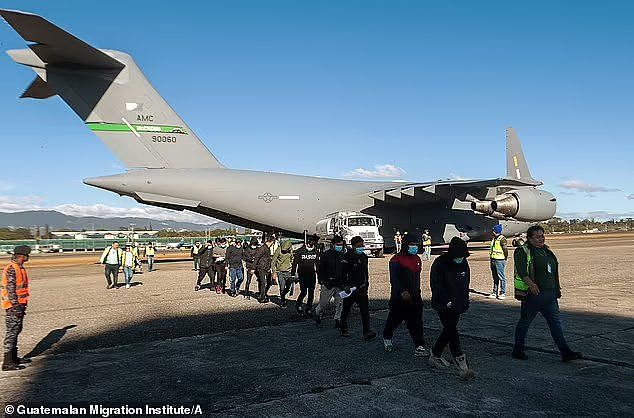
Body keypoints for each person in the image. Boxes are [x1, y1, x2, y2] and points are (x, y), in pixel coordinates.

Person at [512, 225, 582, 362]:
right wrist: (531, 285)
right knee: (525, 322)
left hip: (550, 295)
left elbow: (553, 271)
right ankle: (518, 349)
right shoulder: (522, 251)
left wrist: (557, 289)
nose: (541, 238)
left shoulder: (546, 251)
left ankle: (565, 352)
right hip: (534, 295)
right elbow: (522, 271)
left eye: (542, 235)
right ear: (529, 238)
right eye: (537, 236)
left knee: (555, 323)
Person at [429, 237, 474, 379]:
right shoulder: (440, 263)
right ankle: (460, 360)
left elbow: (465, 283)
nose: (460, 258)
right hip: (443, 304)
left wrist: (464, 300)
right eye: (458, 256)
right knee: (452, 330)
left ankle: (435, 353)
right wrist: (446, 301)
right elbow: (436, 285)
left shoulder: (463, 262)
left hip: (458, 303)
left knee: (449, 329)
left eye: (463, 256)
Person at [383, 233, 428, 356]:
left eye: (415, 245)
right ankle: (387, 336)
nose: (414, 247)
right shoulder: (396, 260)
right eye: (411, 245)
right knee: (394, 319)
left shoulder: (417, 259)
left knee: (417, 322)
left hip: (415, 296)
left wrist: (417, 293)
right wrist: (402, 291)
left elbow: (417, 278)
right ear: (405, 245)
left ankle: (419, 345)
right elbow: (394, 279)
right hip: (400, 297)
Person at [339, 236, 376, 341]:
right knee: (346, 309)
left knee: (365, 311)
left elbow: (366, 272)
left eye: (362, 245)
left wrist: (366, 283)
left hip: (362, 288)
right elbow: (342, 272)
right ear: (353, 246)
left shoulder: (364, 257)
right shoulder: (347, 256)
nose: (362, 247)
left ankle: (366, 331)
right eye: (359, 246)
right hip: (350, 288)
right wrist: (345, 285)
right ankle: (343, 328)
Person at [1, 245, 32, 371]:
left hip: (19, 305)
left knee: (16, 330)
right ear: (21, 256)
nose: (28, 257)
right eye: (27, 255)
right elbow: (10, 290)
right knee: (12, 332)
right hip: (14, 306)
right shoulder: (12, 269)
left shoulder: (19, 267)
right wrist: (16, 306)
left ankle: (14, 357)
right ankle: (7, 362)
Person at [315, 236, 345, 328]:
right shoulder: (326, 255)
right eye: (338, 245)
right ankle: (318, 312)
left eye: (341, 245)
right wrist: (322, 281)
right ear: (333, 245)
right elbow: (320, 269)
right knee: (323, 303)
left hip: (340, 284)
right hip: (328, 284)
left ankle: (338, 319)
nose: (340, 246)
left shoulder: (343, 255)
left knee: (340, 303)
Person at [292, 234, 320, 315]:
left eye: (313, 245)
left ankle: (308, 309)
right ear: (307, 243)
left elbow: (317, 265)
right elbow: (294, 263)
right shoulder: (300, 251)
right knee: (303, 292)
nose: (311, 247)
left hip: (312, 275)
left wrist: (319, 276)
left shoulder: (315, 251)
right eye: (310, 245)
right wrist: (293, 275)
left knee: (311, 293)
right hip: (302, 275)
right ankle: (298, 304)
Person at [488, 224, 508, 300]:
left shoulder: (502, 239)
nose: (492, 231)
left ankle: (503, 292)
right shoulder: (494, 238)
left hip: (499, 260)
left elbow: (505, 250)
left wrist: (504, 259)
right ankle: (494, 292)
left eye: (493, 230)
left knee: (501, 277)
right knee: (495, 277)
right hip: (493, 259)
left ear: (496, 231)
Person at [272, 240, 294, 307]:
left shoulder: (291, 250)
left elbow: (292, 259)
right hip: (280, 272)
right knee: (282, 287)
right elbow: (273, 261)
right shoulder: (278, 250)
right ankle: (282, 301)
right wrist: (274, 272)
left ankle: (283, 295)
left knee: (288, 287)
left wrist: (292, 266)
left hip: (288, 272)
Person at [254, 234, 274, 303]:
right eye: (273, 243)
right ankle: (262, 298)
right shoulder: (262, 248)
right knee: (263, 282)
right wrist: (254, 268)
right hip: (261, 268)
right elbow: (256, 257)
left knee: (269, 282)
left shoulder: (267, 248)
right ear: (271, 242)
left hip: (267, 268)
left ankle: (263, 293)